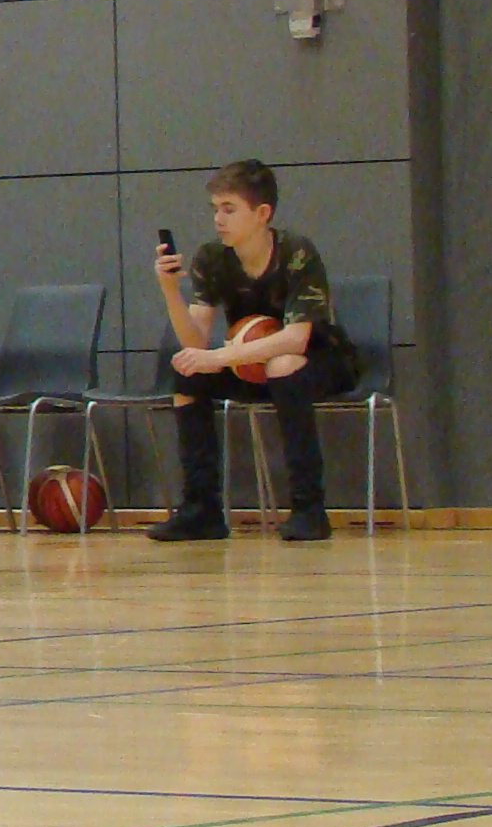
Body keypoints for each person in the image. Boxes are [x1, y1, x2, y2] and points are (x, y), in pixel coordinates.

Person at [150, 160, 359, 545]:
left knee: (284, 364)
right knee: (187, 373)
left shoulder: (296, 252)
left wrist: (219, 357)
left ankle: (309, 509)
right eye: (215, 209)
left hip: (322, 359)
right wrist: (169, 291)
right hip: (252, 365)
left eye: (229, 209)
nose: (218, 219)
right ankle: (201, 509)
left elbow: (295, 338)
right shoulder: (212, 257)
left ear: (262, 213)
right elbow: (196, 342)